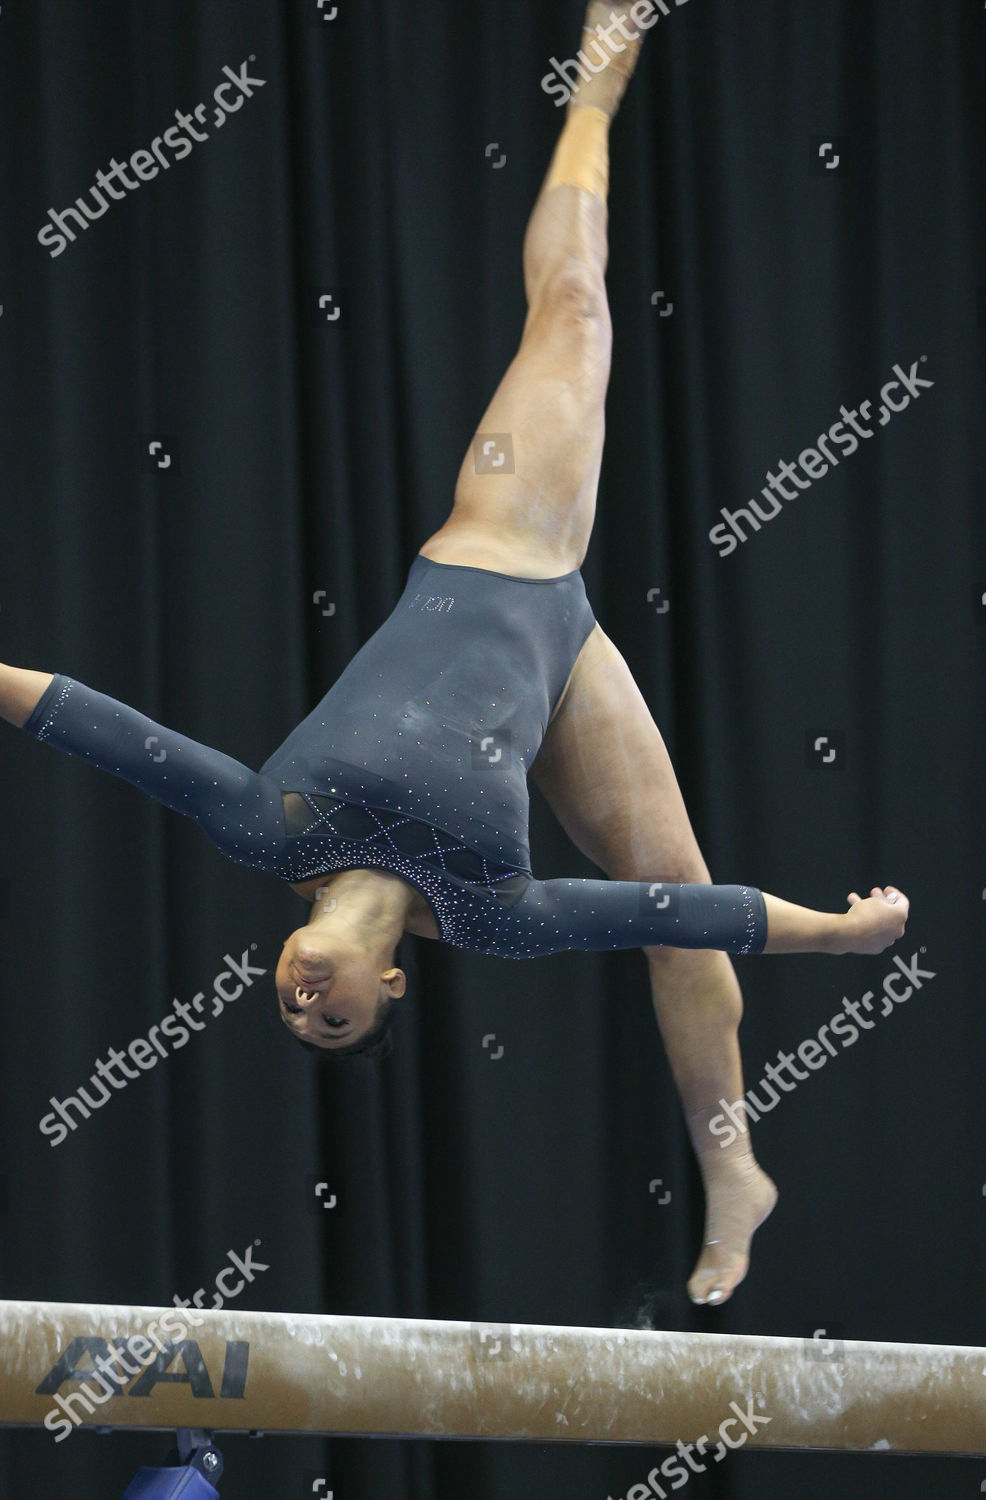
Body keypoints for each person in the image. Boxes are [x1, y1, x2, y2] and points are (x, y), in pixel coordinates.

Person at [0, 1, 909, 1305]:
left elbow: (107, 730)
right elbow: (668, 912)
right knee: (679, 903)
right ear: (389, 987)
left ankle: (596, 81)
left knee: (579, 300)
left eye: (290, 1007)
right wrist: (832, 936)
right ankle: (731, 1166)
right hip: (562, 648)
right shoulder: (489, 914)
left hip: (499, 540)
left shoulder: (272, 829)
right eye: (336, 1018)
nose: (308, 1000)